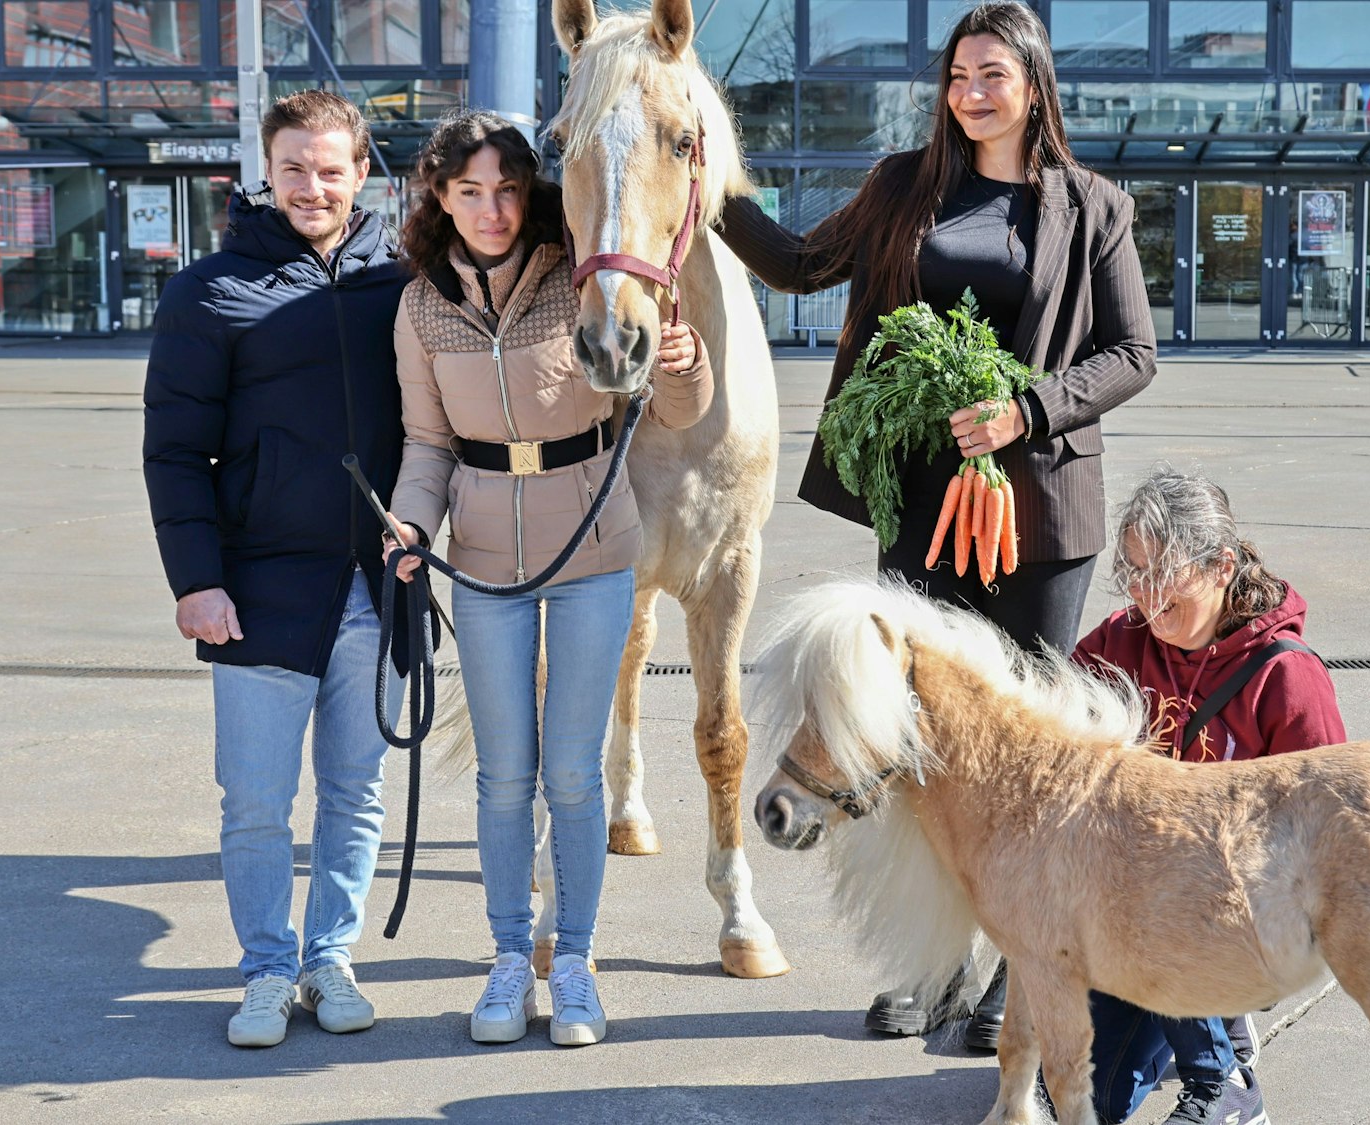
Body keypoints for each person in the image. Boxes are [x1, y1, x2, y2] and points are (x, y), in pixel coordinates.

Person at [715, 0, 1155, 1045]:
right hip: (919, 507)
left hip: (1039, 511)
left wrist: (1025, 408)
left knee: (1022, 751)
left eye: (991, 74)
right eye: (957, 75)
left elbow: (1131, 352)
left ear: (1033, 86)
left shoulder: (1092, 206)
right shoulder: (899, 189)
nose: (968, 92)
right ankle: (931, 965)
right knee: (907, 747)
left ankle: (1016, 964)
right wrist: (703, 173)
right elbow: (793, 265)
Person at [382, 110, 713, 1048]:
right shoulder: (421, 310)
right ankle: (502, 963)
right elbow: (427, 443)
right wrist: (412, 522)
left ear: (532, 196)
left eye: (507, 190)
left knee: (572, 776)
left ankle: (572, 964)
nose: (491, 210)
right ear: (440, 200)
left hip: (593, 560)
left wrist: (686, 366)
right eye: (468, 192)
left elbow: (677, 405)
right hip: (482, 564)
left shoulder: (581, 285)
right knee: (502, 778)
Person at [142, 90, 416, 1048]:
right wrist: (195, 579)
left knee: (356, 791)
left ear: (361, 172)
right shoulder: (209, 291)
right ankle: (265, 969)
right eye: (293, 167)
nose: (312, 186)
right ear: (266, 169)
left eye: (330, 168)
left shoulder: (409, 282)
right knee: (257, 801)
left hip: (381, 590)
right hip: (258, 587)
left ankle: (328, 957)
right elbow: (175, 451)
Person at [1070, 466, 1347, 1125]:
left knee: (1171, 865)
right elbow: (1049, 714)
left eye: (1164, 578)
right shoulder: (1121, 641)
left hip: (1242, 917)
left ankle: (1223, 1080)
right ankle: (1193, 1024)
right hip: (1132, 920)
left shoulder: (1285, 675)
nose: (1145, 595)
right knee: (1084, 1095)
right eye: (1133, 571)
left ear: (1222, 566)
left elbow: (1327, 828)